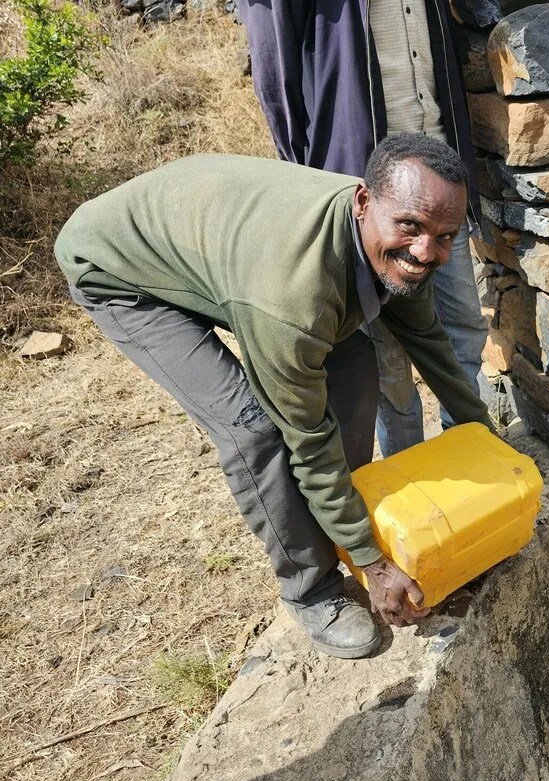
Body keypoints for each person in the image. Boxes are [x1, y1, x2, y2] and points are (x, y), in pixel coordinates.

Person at [54, 134, 494, 659]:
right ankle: (312, 590)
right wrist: (374, 564)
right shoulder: (294, 298)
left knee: (353, 365)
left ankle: (336, 533)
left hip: (212, 243)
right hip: (120, 269)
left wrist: (485, 444)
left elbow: (433, 347)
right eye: (412, 228)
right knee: (252, 428)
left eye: (445, 236)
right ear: (362, 202)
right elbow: (306, 437)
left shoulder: (400, 234)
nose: (426, 251)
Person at [238, 0, 490, 458]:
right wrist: (310, 177)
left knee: (464, 329)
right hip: (373, 199)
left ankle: (467, 451)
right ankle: (410, 474)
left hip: (441, 185)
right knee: (388, 362)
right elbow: (276, 77)